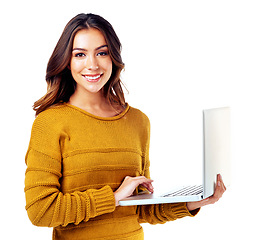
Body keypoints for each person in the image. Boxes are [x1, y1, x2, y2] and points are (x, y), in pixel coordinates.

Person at [24, 13, 226, 240]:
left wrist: (193, 202)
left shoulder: (138, 121)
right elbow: (40, 210)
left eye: (102, 53)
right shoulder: (50, 122)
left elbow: (140, 208)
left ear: (114, 58)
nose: (92, 64)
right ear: (67, 61)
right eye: (80, 54)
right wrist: (114, 196)